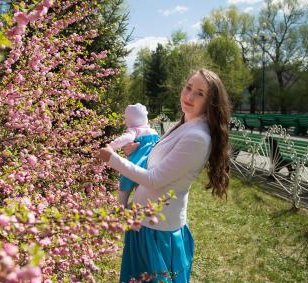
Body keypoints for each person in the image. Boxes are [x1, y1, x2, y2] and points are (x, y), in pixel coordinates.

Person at [97, 69, 231, 283]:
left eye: (199, 93)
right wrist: (137, 150)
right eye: (188, 87)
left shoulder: (197, 137)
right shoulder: (185, 124)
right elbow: (161, 160)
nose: (188, 96)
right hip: (145, 224)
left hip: (158, 233)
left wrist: (112, 158)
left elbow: (154, 179)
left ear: (211, 102)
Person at [109, 103, 160, 207]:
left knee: (124, 186)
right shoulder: (154, 132)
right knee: (141, 191)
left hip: (133, 165)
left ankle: (121, 206)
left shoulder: (134, 131)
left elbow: (124, 139)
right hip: (148, 167)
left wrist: (110, 147)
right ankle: (137, 206)